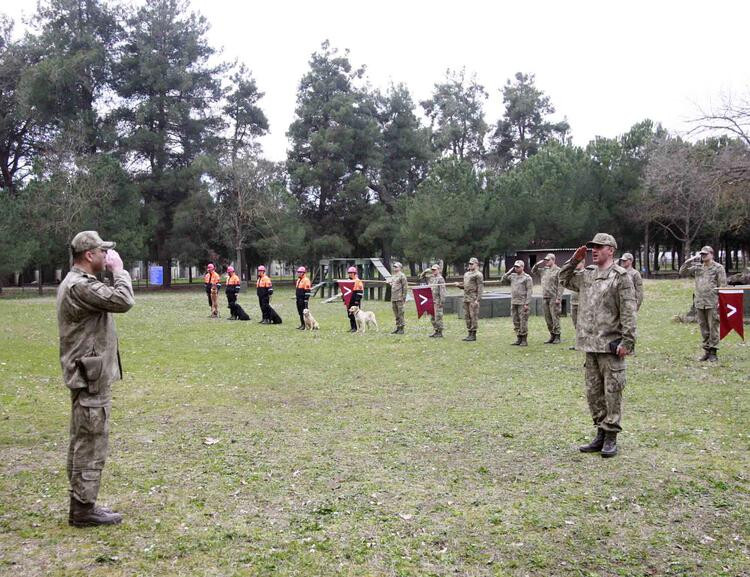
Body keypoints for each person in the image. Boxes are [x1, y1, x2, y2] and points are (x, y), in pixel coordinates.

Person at [57, 231, 134, 526]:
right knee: (91, 439)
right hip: (89, 377)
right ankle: (83, 510)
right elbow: (124, 300)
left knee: (84, 438)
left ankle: (83, 503)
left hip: (89, 373)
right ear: (89, 255)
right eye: (103, 251)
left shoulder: (78, 283)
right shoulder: (80, 286)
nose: (107, 255)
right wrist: (119, 270)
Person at [559, 233, 637, 458]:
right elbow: (563, 279)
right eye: (593, 247)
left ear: (611, 250)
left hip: (610, 344)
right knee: (594, 393)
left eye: (599, 247)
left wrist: (627, 341)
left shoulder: (620, 277)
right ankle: (600, 433)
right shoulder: (587, 275)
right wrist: (574, 260)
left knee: (612, 392)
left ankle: (611, 435)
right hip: (589, 344)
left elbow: (629, 311)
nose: (594, 250)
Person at [679, 246, 727, 362]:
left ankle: (713, 352)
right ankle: (706, 351)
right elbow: (682, 272)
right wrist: (689, 260)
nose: (703, 256)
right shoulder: (697, 268)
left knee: (713, 327)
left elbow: (723, 286)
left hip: (712, 302)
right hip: (700, 302)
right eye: (702, 254)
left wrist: (721, 301)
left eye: (705, 254)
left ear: (712, 254)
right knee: (703, 328)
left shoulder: (718, 268)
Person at [531, 253, 564, 344]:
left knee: (555, 317)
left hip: (554, 298)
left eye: (548, 260)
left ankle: (557, 336)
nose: (546, 262)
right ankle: (552, 335)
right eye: (545, 260)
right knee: (548, 318)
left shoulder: (558, 271)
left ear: (553, 260)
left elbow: (561, 286)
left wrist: (558, 298)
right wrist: (537, 264)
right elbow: (533, 271)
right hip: (545, 297)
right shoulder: (544, 270)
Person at [501, 260, 533, 346]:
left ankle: (524, 339)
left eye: (518, 267)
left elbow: (529, 291)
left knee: (523, 321)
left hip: (522, 303)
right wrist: (509, 271)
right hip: (514, 302)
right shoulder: (512, 276)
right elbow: (503, 280)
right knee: (515, 321)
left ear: (522, 267)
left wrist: (527, 303)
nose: (516, 268)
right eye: (515, 266)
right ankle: (518, 338)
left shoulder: (527, 278)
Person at [460, 257, 483, 342]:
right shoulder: (466, 274)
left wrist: (478, 299)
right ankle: (469, 333)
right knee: (467, 316)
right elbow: (465, 286)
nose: (470, 265)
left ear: (476, 264)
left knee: (473, 316)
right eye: (469, 264)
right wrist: (459, 285)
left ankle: (473, 334)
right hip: (466, 298)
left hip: (473, 298)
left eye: (472, 264)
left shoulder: (478, 275)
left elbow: (480, 288)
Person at [568, 260, 586, 350]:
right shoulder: (573, 274)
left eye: (578, 263)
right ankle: (579, 343)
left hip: (582, 303)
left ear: (583, 263)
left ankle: (584, 343)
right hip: (573, 302)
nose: (576, 265)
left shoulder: (586, 273)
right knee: (576, 324)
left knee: (583, 324)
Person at [388, 262, 408, 334]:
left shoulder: (402, 276)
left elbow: (405, 287)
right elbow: (393, 285)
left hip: (400, 298)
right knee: (396, 314)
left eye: (396, 267)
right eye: (394, 267)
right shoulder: (393, 276)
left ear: (400, 268)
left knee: (400, 313)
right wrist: (389, 282)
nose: (394, 268)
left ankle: (401, 328)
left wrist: (404, 297)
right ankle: (398, 327)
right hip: (394, 297)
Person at [428, 263, 446, 338]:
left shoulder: (440, 279)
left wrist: (442, 301)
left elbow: (442, 291)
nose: (433, 271)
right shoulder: (432, 279)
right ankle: (436, 331)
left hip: (438, 301)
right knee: (432, 317)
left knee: (438, 317)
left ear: (438, 270)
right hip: (432, 301)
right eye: (432, 270)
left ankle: (440, 332)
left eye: (435, 270)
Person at [345, 266, 365, 332]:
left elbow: (360, 292)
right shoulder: (347, 281)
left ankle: (357, 328)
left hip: (355, 301)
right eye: (349, 273)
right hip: (349, 300)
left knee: (357, 315)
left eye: (351, 273)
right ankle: (352, 327)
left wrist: (357, 301)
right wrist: (344, 299)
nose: (350, 274)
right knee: (350, 314)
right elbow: (345, 291)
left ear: (354, 273)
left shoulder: (358, 281)